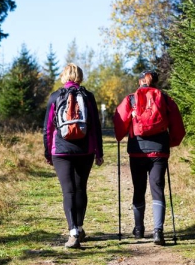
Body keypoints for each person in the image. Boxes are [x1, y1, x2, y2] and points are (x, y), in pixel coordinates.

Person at [113, 70, 185, 245]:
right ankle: (158, 232)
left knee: (139, 188)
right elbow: (178, 126)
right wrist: (171, 142)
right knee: (157, 189)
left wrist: (119, 135)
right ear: (156, 83)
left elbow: (119, 122)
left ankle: (139, 230)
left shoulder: (131, 99)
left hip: (137, 150)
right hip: (159, 151)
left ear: (140, 82)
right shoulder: (166, 99)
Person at [43, 63, 104, 249]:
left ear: (64, 77)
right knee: (80, 189)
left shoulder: (55, 96)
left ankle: (73, 232)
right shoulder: (88, 97)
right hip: (85, 150)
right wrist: (98, 152)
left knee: (68, 191)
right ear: (80, 77)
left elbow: (47, 128)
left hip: (61, 151)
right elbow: (95, 127)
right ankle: (80, 227)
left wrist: (48, 152)